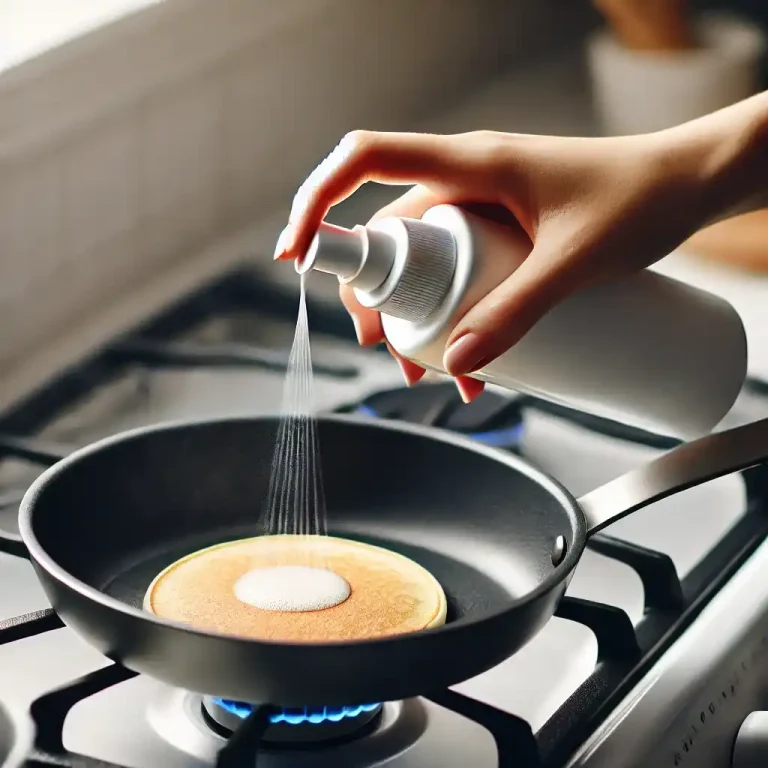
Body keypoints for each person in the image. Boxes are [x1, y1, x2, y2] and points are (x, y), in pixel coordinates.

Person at [274, 92, 768, 403]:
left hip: (715, 352)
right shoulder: (415, 327)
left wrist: (687, 170)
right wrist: (694, 169)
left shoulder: (430, 300)